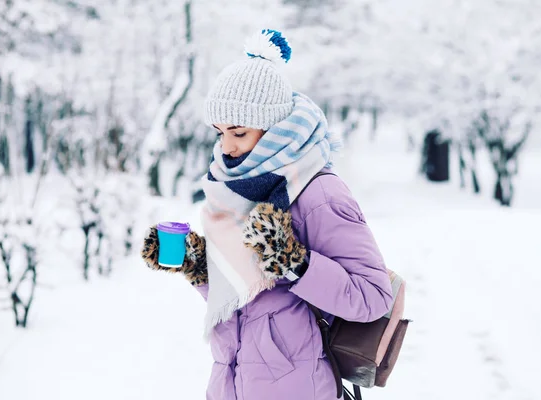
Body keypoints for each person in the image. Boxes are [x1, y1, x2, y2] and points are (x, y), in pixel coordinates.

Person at [142, 29, 393, 400]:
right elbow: (248, 294)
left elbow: (372, 298)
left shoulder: (319, 192)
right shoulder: (232, 189)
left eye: (239, 133)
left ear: (275, 128)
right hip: (235, 380)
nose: (226, 147)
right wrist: (198, 264)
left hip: (300, 386)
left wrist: (294, 262)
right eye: (220, 133)